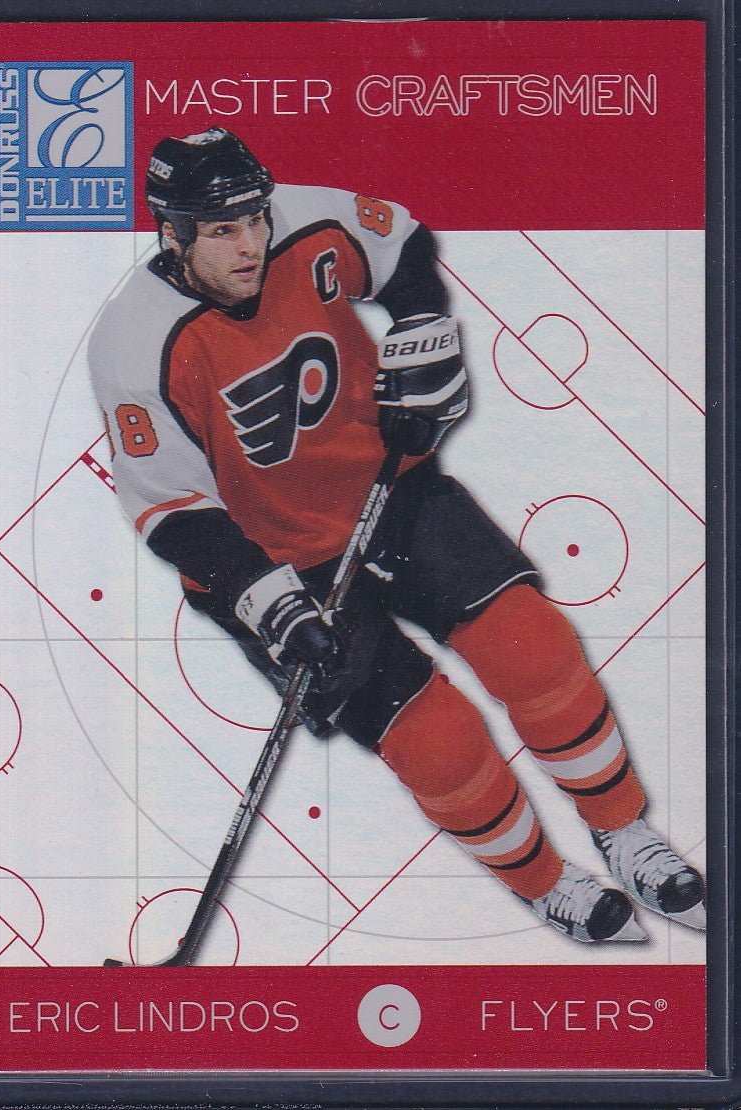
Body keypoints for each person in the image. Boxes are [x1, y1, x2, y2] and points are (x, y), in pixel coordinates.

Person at [88, 127, 705, 944]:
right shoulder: (133, 344)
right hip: (271, 565)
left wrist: (423, 337)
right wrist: (270, 603)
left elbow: (402, 245)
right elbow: (173, 512)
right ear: (171, 233)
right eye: (222, 230)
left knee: (533, 646)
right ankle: (546, 883)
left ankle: (625, 833)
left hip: (391, 485)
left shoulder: (305, 219)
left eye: (257, 219)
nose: (251, 243)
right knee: (437, 743)